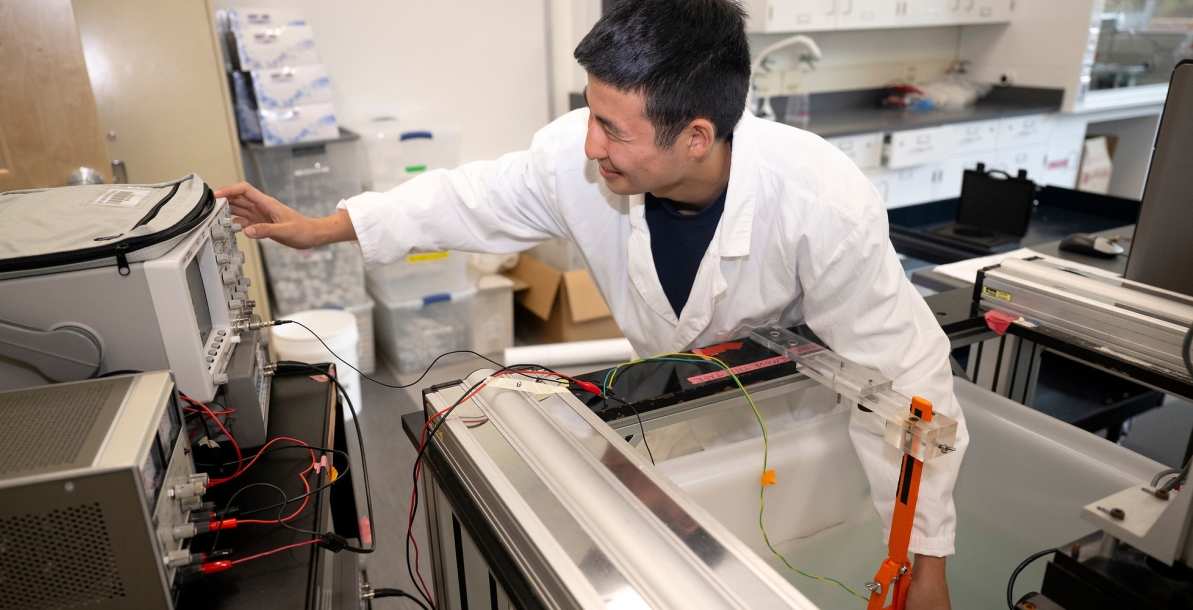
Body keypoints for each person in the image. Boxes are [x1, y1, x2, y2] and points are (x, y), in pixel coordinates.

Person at [218, 1, 967, 607]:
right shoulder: (581, 166)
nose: (588, 144)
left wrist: (925, 558)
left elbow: (906, 381)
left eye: (612, 127)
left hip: (799, 437)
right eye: (589, 113)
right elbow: (466, 199)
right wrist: (324, 229)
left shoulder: (822, 204)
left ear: (697, 136)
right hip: (676, 413)